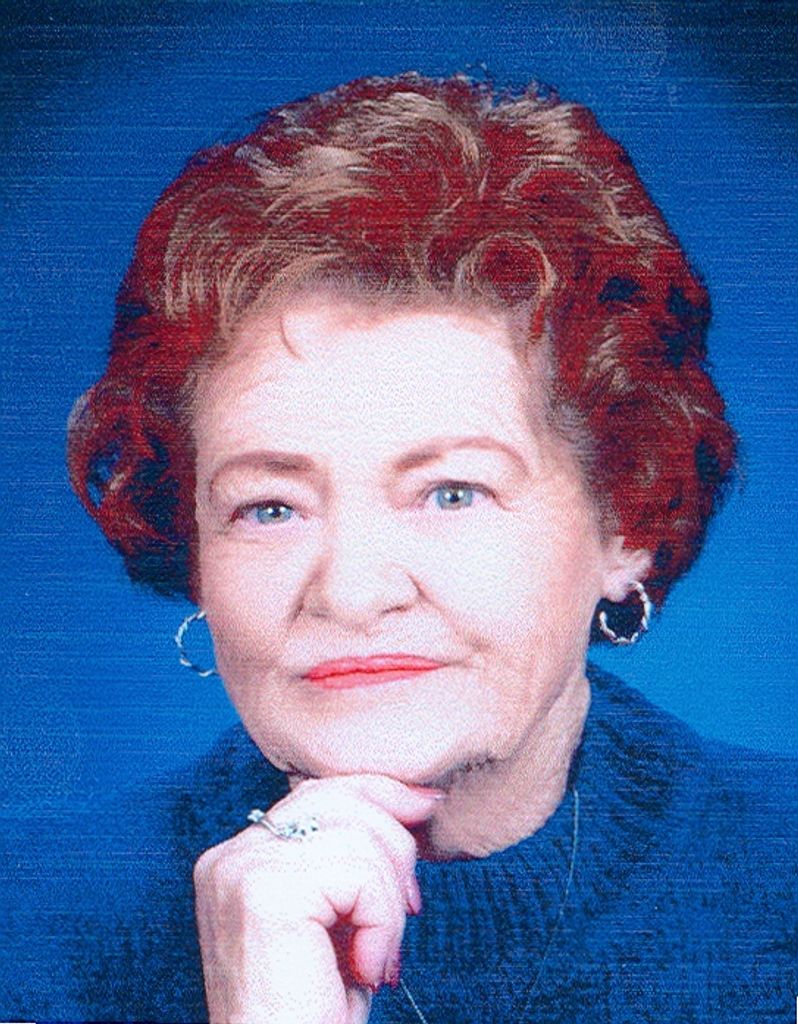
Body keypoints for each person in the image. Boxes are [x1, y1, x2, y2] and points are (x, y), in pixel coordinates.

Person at [4, 71, 795, 1024]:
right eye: (269, 507)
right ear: (195, 552)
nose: (352, 589)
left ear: (627, 521)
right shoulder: (30, 930)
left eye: (451, 493)